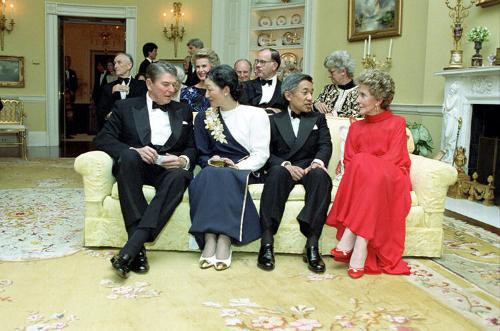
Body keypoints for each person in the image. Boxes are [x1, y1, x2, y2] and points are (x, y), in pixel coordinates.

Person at [93, 62, 196, 279]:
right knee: (128, 157)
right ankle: (137, 251)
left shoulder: (184, 109)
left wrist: (183, 159)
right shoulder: (126, 107)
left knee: (181, 175)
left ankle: (133, 248)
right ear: (149, 83)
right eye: (165, 84)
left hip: (167, 169)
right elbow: (103, 139)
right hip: (136, 166)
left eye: (174, 85)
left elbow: (192, 145)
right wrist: (135, 150)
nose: (171, 90)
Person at [326, 69, 411, 279]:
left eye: (363, 95)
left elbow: (394, 159)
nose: (357, 100)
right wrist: (366, 166)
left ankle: (350, 237)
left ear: (379, 100)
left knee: (363, 161)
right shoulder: (355, 128)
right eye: (358, 94)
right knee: (361, 164)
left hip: (392, 179)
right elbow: (349, 163)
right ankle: (361, 242)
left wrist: (367, 164)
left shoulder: (397, 123)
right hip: (364, 182)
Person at [189, 65, 270, 271]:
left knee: (224, 174)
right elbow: (202, 153)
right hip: (213, 170)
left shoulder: (255, 115)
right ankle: (209, 238)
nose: (206, 95)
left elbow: (261, 154)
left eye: (210, 89)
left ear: (226, 90)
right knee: (214, 173)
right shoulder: (203, 117)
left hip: (247, 170)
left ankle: (224, 238)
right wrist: (213, 161)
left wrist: (236, 166)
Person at [257, 73, 333, 274]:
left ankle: (312, 244)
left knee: (321, 177)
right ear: (289, 95)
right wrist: (285, 165)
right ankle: (266, 243)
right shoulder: (273, 120)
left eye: (311, 93)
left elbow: (325, 145)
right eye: (305, 92)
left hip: (309, 167)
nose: (310, 98)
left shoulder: (318, 118)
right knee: (275, 174)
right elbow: (265, 151)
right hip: (284, 167)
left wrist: (317, 163)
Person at [97, 53, 147, 131]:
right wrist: (112, 92)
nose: (115, 66)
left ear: (129, 65)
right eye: (115, 63)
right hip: (114, 130)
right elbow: (101, 111)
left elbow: (145, 108)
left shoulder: (141, 85)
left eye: (119, 62)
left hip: (135, 131)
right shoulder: (108, 87)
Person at [239, 48, 287, 114]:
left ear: (274, 66)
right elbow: (241, 109)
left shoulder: (285, 88)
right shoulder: (245, 86)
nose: (257, 65)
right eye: (257, 61)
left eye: (262, 62)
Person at [314, 50, 359, 117]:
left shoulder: (360, 91)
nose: (329, 75)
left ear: (343, 71)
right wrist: (316, 105)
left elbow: (358, 113)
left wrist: (333, 115)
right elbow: (313, 107)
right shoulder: (328, 89)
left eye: (332, 72)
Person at [180, 48, 219, 113]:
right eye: (198, 67)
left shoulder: (221, 91)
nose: (200, 70)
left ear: (212, 66)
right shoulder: (186, 93)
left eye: (204, 66)